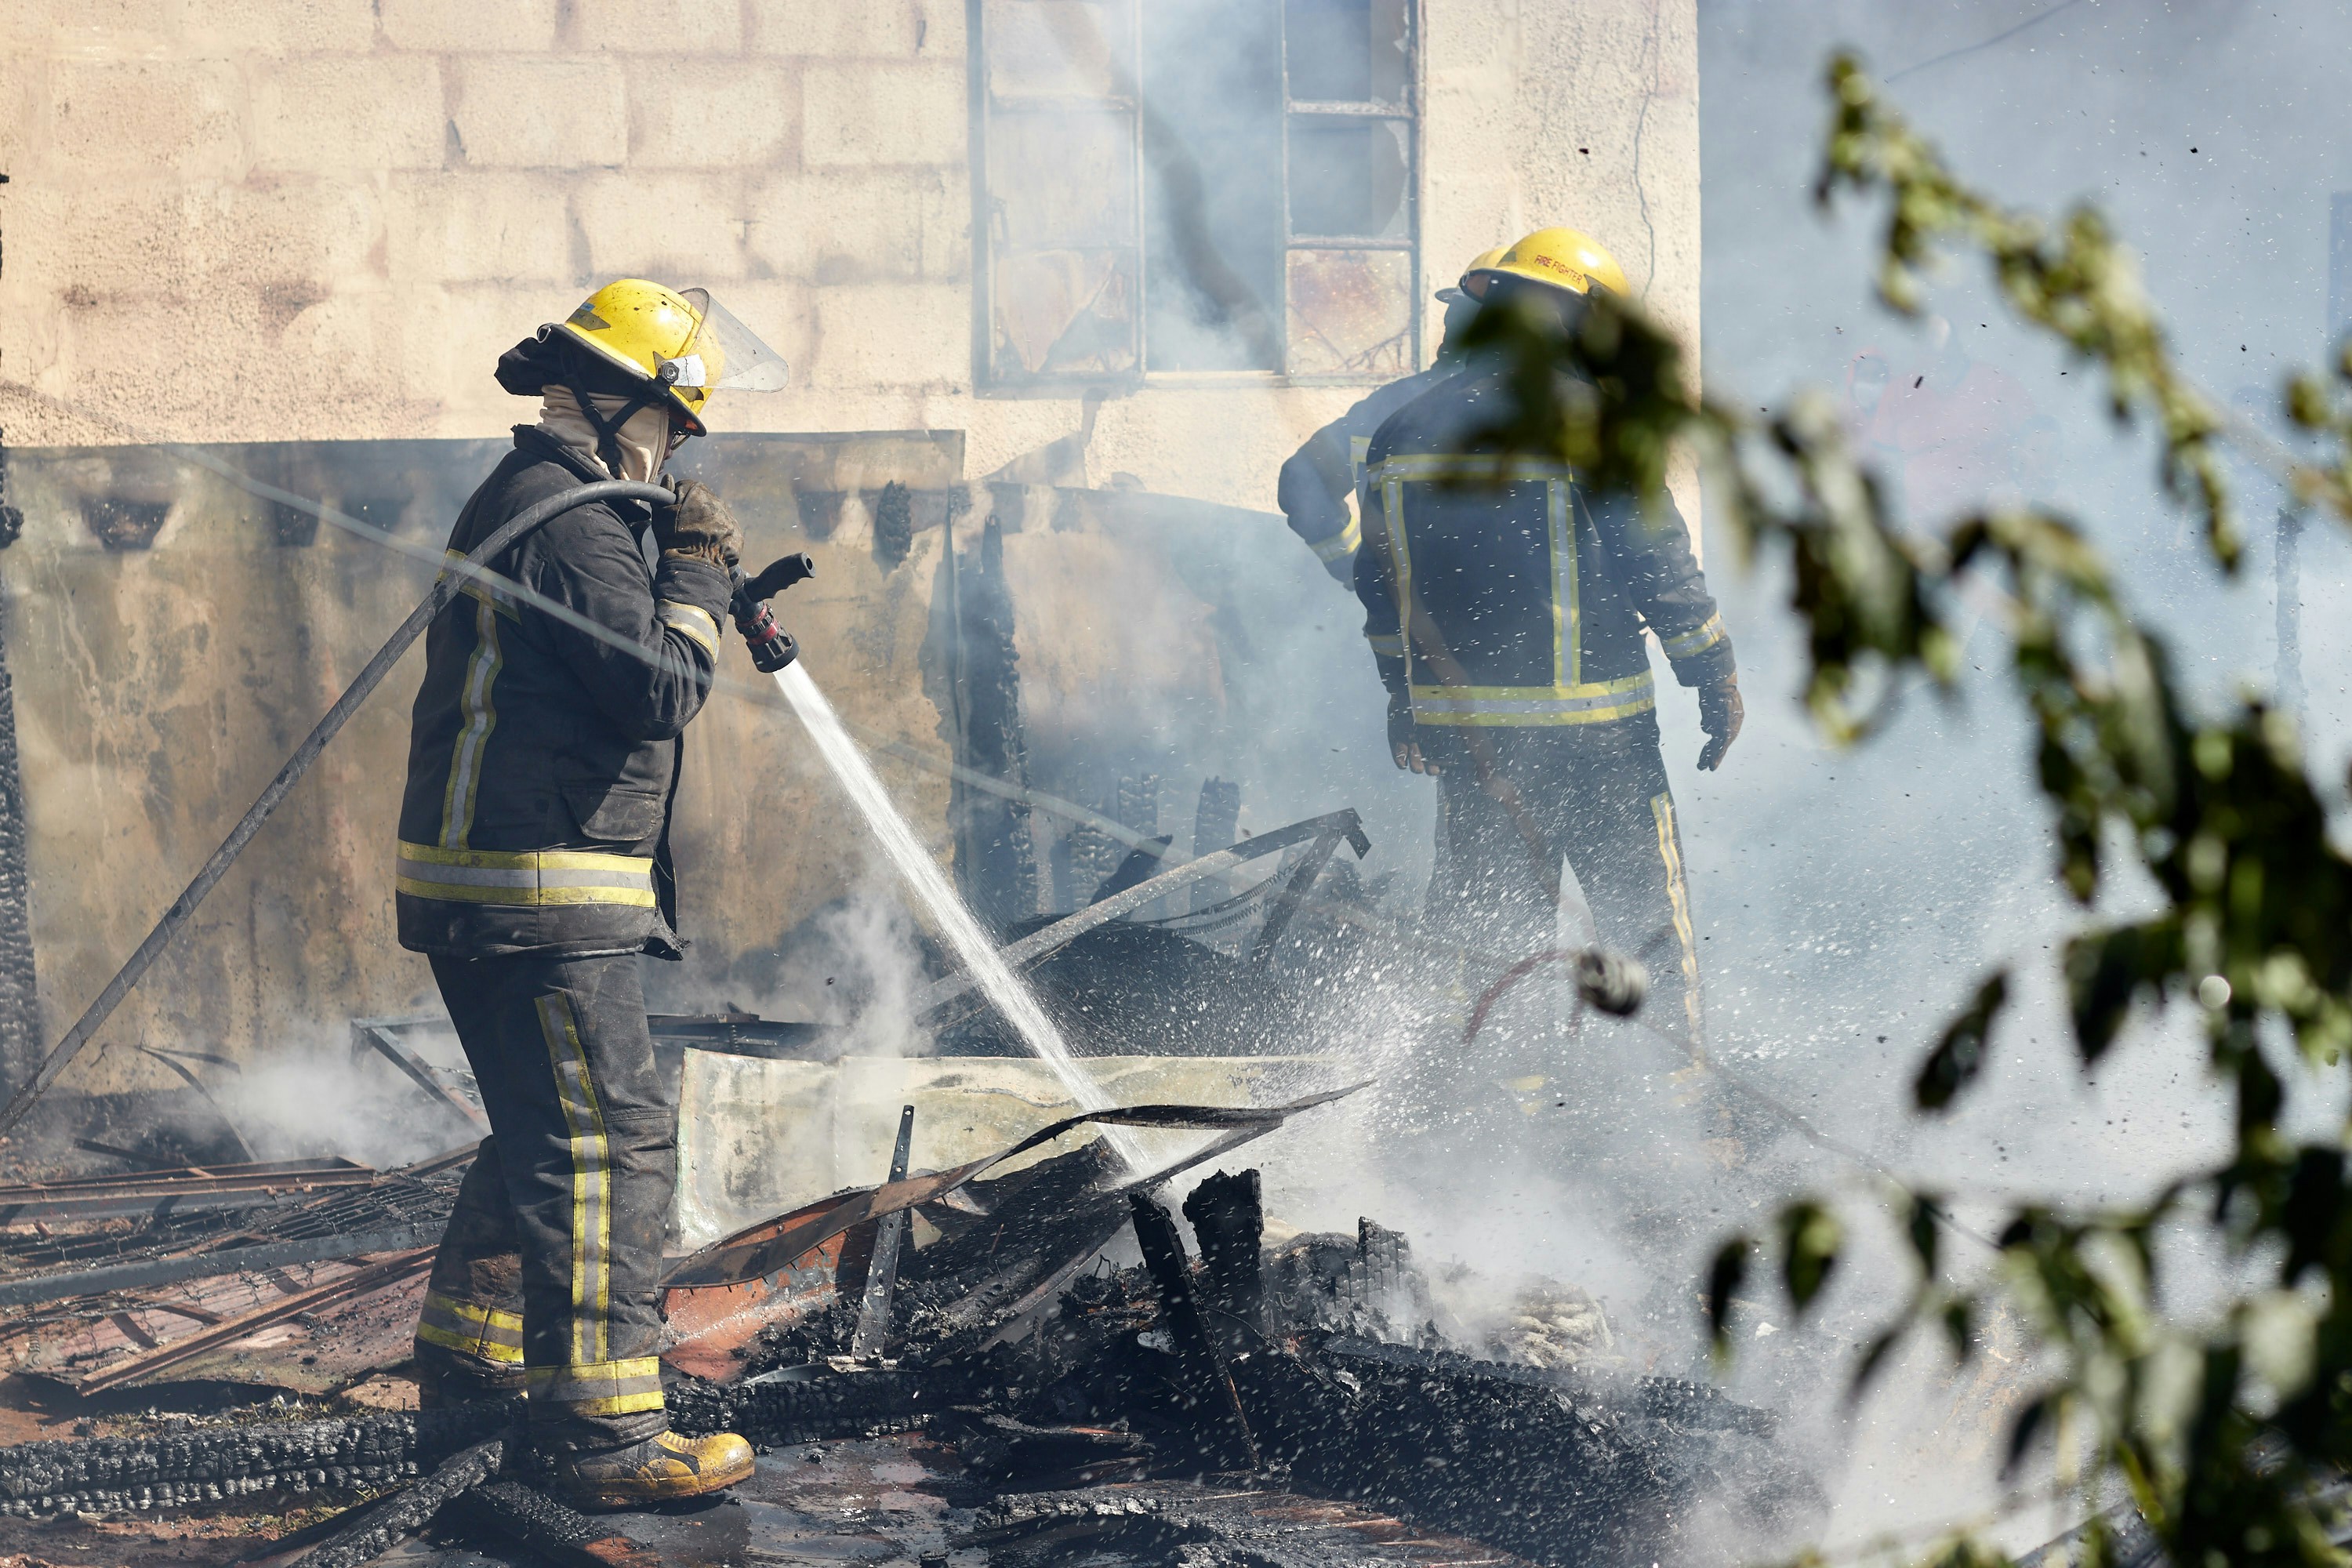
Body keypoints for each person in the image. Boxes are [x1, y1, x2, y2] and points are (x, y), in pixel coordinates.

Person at [396, 278, 786, 1509]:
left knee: (543, 1140)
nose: (674, 458)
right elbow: (658, 688)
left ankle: (475, 1374)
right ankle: (606, 1439)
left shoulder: (560, 506)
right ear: (628, 402)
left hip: (514, 880)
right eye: (673, 430)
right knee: (611, 1149)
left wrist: (692, 576)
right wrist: (700, 579)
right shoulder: (565, 511)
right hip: (541, 889)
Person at [1354, 227, 1740, 1044]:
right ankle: (1679, 1113)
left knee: (1487, 949)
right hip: (1601, 744)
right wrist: (1712, 672)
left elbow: (1384, 590)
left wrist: (1402, 701)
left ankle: (1491, 1124)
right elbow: (1658, 559)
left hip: (1475, 746)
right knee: (1645, 940)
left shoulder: (1400, 433)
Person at [1277, 249, 1506, 582]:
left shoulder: (1388, 405)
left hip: (1397, 621)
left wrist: (1355, 570)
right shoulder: (1533, 412)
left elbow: (1301, 477)